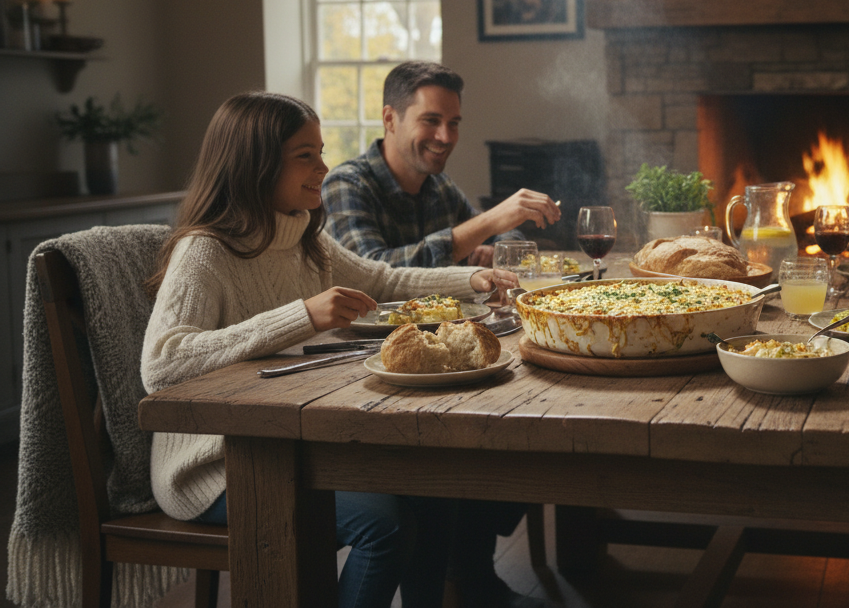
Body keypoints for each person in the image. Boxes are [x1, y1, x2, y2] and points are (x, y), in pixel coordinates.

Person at [141, 92, 547, 608]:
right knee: (387, 526)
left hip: (297, 436)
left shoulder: (304, 236)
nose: (324, 167)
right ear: (256, 164)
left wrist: (472, 278)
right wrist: (300, 316)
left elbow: (383, 279)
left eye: (321, 151)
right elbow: (161, 364)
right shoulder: (205, 249)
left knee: (439, 489)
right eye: (305, 155)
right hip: (220, 463)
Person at [323, 61, 562, 268]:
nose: (446, 137)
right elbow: (371, 272)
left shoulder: (439, 185)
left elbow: (505, 234)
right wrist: (489, 221)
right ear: (390, 119)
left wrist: (497, 251)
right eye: (431, 120)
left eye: (454, 123)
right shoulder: (345, 184)